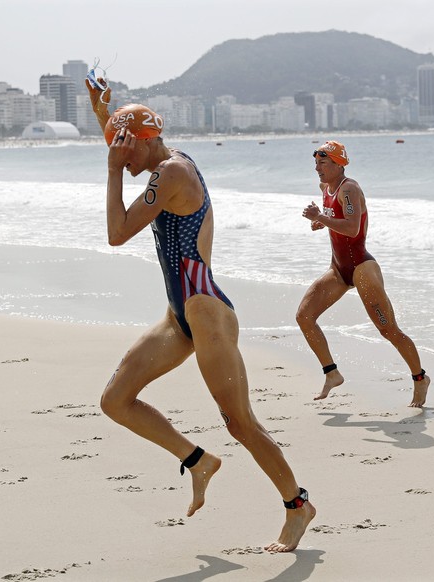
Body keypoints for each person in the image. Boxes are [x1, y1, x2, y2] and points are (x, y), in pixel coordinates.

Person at [85, 78, 314, 552]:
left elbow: (116, 233)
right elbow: (130, 145)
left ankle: (298, 505)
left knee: (240, 422)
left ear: (145, 141)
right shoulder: (157, 158)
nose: (119, 155)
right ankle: (198, 460)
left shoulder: (171, 174)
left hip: (206, 313)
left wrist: (109, 172)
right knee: (115, 400)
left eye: (124, 146)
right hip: (178, 316)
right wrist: (102, 112)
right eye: (115, 145)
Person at [297, 141, 431, 407]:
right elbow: (333, 218)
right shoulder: (326, 188)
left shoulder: (350, 189)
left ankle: (420, 378)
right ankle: (331, 373)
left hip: (361, 268)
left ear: (338, 164)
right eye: (316, 163)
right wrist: (320, 221)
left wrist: (321, 218)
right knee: (304, 316)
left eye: (323, 163)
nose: (317, 168)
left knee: (388, 329)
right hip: (338, 269)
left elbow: (351, 227)